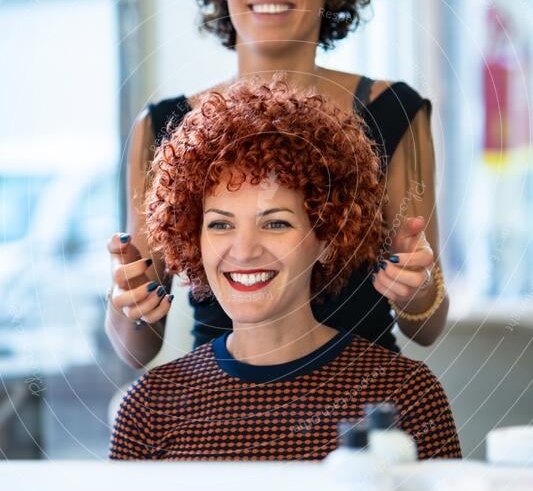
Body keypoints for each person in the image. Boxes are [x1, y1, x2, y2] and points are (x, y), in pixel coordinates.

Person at [105, 0, 448, 369]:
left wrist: (418, 292)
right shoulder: (163, 128)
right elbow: (138, 348)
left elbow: (427, 327)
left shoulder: (393, 113)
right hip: (219, 413)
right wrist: (128, 304)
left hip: (362, 413)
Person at [109, 81, 461, 461]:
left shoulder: (407, 396)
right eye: (220, 224)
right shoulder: (148, 410)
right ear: (193, 239)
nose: (243, 251)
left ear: (327, 236)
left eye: (275, 223)